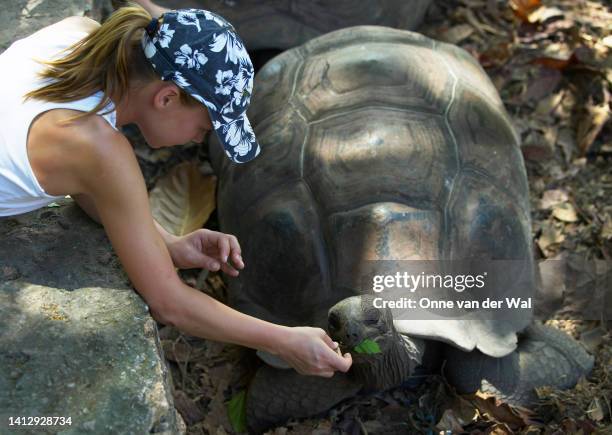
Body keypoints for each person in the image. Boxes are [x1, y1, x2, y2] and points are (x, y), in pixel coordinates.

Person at [0, 5, 352, 377]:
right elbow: (169, 302)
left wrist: (165, 243)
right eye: (205, 125)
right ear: (166, 97)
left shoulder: (78, 34)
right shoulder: (99, 148)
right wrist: (285, 340)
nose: (200, 139)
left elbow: (89, 188)